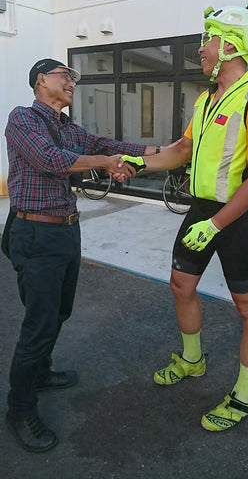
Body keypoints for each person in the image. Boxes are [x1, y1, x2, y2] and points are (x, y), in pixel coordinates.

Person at [122, 2, 248, 432]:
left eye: (207, 39)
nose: (201, 49)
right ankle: (193, 360)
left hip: (235, 215)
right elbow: (180, 151)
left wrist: (215, 225)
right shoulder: (206, 99)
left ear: (229, 45)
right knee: (181, 284)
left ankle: (244, 395)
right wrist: (136, 162)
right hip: (201, 210)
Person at [4, 58, 160, 453]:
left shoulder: (67, 127)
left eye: (74, 78)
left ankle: (39, 372)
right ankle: (19, 409)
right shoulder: (24, 119)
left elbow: (106, 145)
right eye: (65, 76)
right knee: (38, 324)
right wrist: (106, 163)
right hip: (35, 232)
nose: (72, 82)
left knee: (59, 313)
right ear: (42, 80)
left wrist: (160, 150)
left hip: (65, 230)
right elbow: (50, 160)